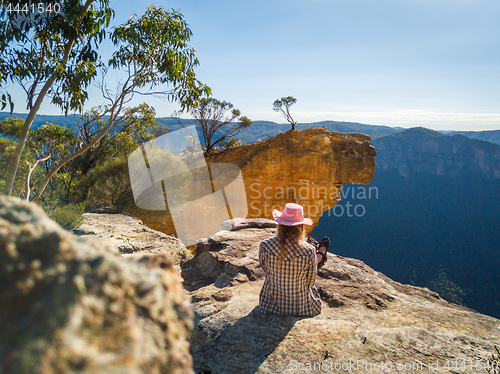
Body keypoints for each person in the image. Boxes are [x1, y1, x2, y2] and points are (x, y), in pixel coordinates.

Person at [258, 202, 330, 316]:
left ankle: (319, 255)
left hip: (270, 305)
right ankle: (320, 254)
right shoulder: (308, 251)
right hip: (301, 308)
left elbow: (264, 268)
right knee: (311, 259)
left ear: (280, 225)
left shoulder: (265, 246)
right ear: (300, 227)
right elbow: (310, 282)